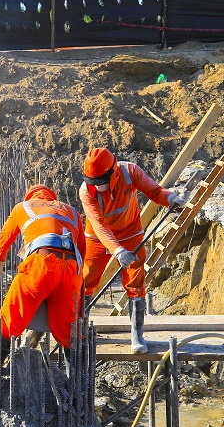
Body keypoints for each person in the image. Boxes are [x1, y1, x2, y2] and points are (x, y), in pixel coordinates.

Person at [79, 147, 188, 353]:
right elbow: (100, 226)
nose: (97, 186)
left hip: (130, 232)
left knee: (136, 280)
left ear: (114, 172)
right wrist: (118, 251)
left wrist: (171, 198)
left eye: (101, 182)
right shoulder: (86, 191)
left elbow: (155, 192)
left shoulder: (130, 172)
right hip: (98, 237)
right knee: (87, 279)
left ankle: (136, 335)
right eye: (93, 182)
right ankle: (80, 331)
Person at [0, 184, 86, 370]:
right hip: (71, 268)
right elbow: (82, 251)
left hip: (41, 263)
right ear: (52, 199)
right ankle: (76, 386)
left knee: (10, 319)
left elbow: (5, 235)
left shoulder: (23, 207)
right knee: (69, 332)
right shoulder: (72, 211)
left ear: (30, 197)